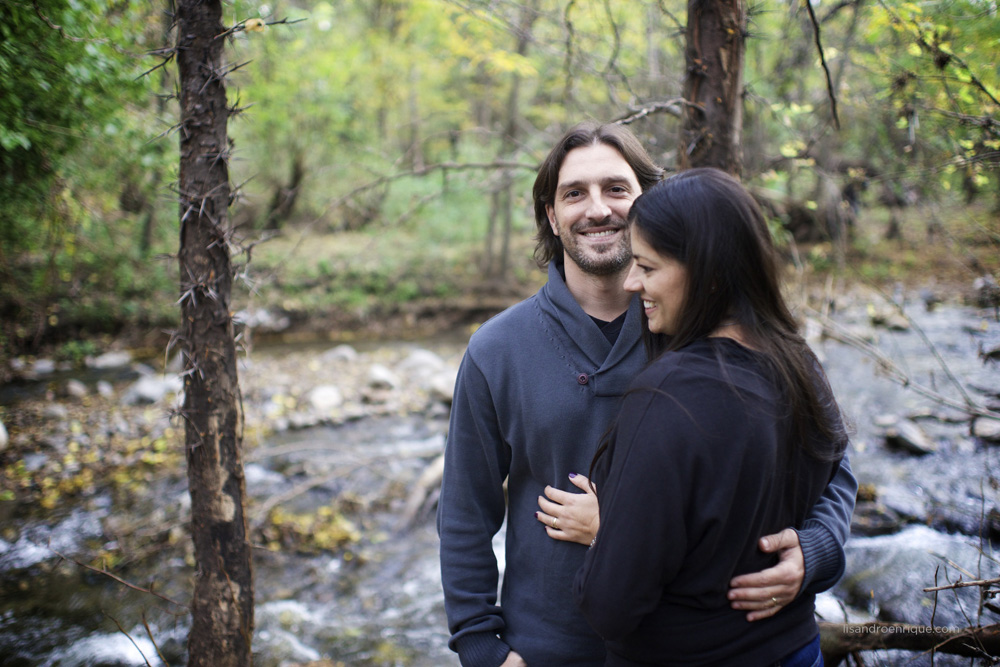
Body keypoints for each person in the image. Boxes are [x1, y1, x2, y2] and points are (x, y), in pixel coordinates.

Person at [437, 122, 856, 667]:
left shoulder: (713, 328)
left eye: (616, 189)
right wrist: (481, 645)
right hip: (548, 651)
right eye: (574, 194)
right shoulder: (497, 349)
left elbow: (831, 461)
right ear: (550, 215)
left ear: (646, 203)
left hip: (693, 648)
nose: (597, 209)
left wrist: (815, 550)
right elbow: (466, 512)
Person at [573, 167, 850, 666]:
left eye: (648, 267)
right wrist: (821, 547)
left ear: (710, 272)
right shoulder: (798, 361)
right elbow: (839, 470)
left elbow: (610, 605)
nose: (632, 283)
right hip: (796, 651)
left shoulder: (666, 398)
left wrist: (607, 530)